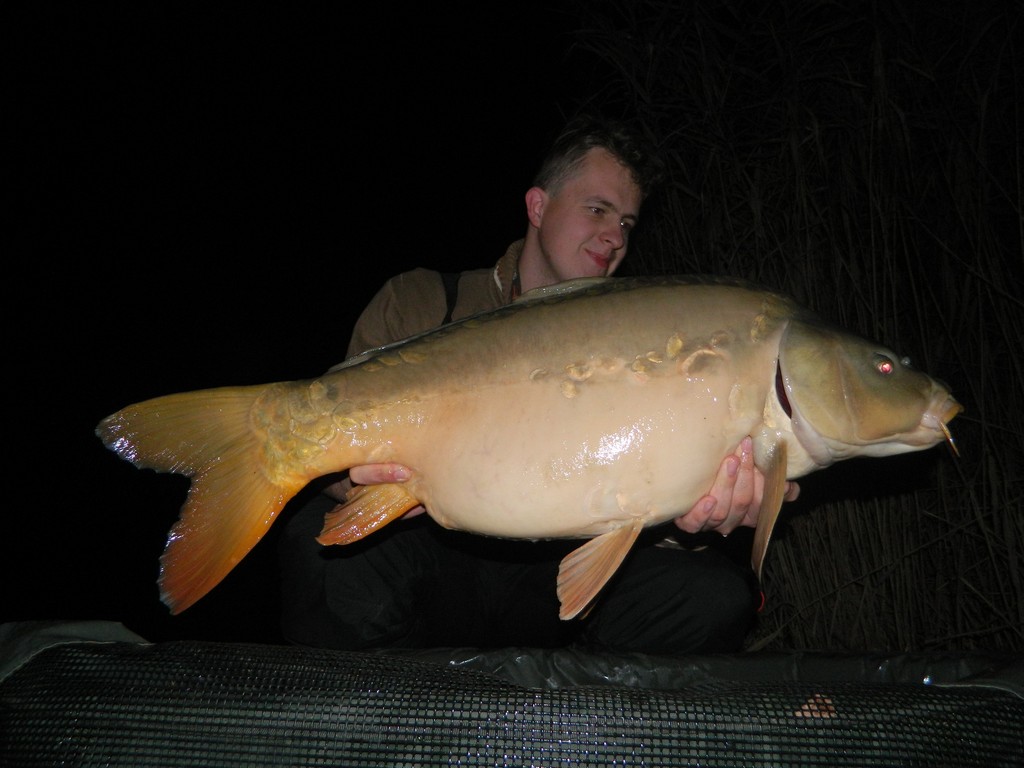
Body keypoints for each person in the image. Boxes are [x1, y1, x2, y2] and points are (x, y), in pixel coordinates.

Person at [279, 113, 799, 654]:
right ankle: (369, 727)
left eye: (626, 222)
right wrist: (353, 482)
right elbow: (332, 466)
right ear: (537, 205)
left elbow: (634, 487)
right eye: (596, 210)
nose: (613, 236)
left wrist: (694, 520)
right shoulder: (423, 302)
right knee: (321, 550)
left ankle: (581, 725)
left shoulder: (649, 341)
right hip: (433, 568)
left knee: (712, 595)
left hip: (553, 587)